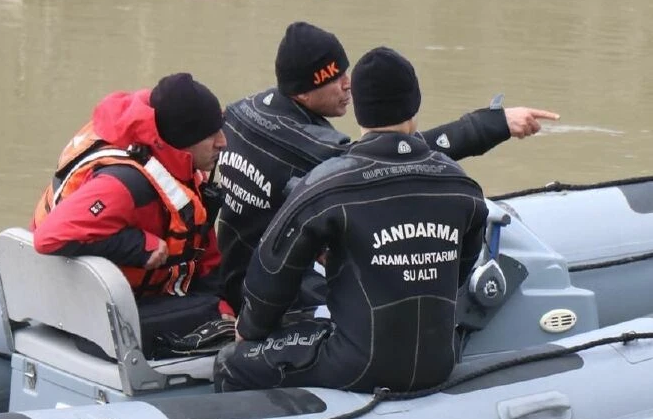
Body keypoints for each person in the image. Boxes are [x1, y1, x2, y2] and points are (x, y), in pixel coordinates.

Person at [213, 20, 558, 312]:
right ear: (303, 92)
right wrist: (492, 124)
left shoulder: (241, 110)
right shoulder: (317, 148)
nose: (348, 84)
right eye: (334, 78)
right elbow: (400, 154)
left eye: (346, 71)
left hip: (233, 267)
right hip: (261, 293)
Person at [213, 46, 489, 394]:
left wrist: (251, 330)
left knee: (231, 364)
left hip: (356, 366)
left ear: (359, 108)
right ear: (415, 103)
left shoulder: (328, 185)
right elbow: (459, 272)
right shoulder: (460, 184)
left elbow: (272, 267)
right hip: (440, 361)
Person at [31, 72, 236, 359]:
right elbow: (48, 238)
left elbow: (202, 247)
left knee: (227, 304)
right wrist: (138, 246)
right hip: (88, 314)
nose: (223, 142)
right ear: (183, 139)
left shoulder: (176, 167)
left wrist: (226, 300)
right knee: (216, 316)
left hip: (122, 295)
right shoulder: (126, 184)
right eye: (211, 134)